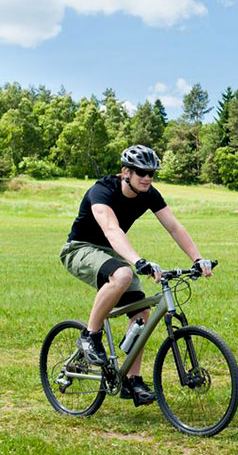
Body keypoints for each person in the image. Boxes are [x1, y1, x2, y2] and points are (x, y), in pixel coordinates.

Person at [60, 144, 213, 406]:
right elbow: (111, 229)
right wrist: (137, 261)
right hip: (80, 249)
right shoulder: (102, 190)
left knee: (141, 314)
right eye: (141, 172)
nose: (147, 178)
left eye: (151, 173)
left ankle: (132, 381)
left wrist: (197, 258)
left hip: (110, 252)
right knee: (121, 275)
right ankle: (90, 336)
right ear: (125, 172)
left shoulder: (149, 194)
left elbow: (174, 227)